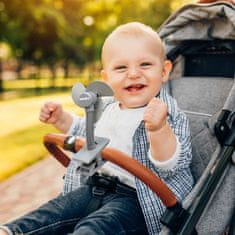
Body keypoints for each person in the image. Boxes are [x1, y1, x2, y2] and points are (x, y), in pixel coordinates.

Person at [0, 22, 194, 235]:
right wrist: (61, 118)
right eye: (121, 68)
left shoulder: (166, 112)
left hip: (136, 199)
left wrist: (158, 129)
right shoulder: (106, 107)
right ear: (106, 78)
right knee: (52, 212)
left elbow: (171, 164)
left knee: (94, 228)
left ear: (165, 71)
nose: (133, 74)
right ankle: (11, 231)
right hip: (95, 186)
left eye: (145, 65)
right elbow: (84, 132)